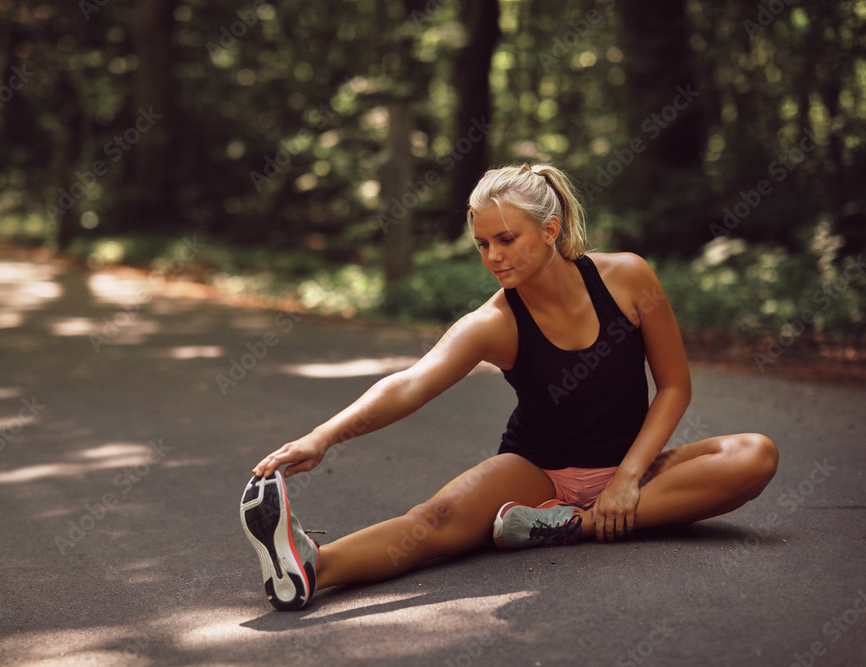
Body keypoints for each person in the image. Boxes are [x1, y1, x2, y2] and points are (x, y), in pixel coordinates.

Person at [239, 162, 779, 611]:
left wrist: (628, 478)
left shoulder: (630, 279)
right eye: (481, 244)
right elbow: (411, 383)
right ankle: (309, 564)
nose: (493, 256)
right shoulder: (494, 322)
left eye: (506, 239)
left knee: (753, 455)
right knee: (432, 522)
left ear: (550, 229)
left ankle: (574, 527)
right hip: (536, 473)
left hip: (637, 467)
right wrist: (322, 436)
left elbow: (674, 387)